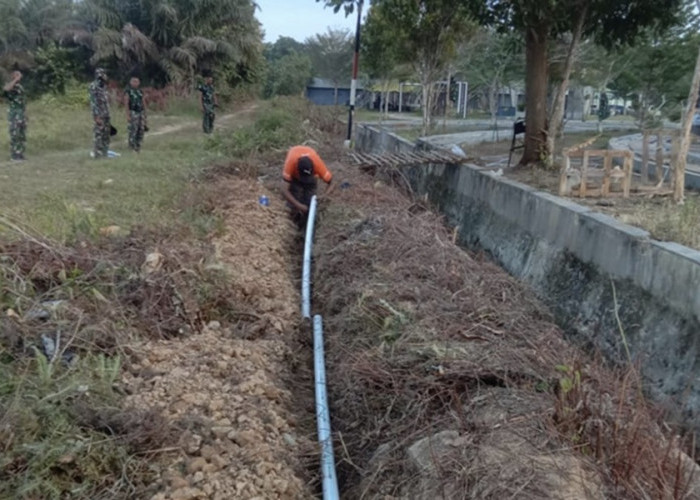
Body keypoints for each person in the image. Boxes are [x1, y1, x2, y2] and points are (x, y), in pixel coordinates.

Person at [281, 145, 335, 229]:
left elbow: (331, 183)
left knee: (309, 201)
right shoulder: (290, 163)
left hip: (311, 179)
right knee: (293, 201)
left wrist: (324, 196)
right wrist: (298, 205)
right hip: (295, 176)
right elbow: (284, 189)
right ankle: (292, 224)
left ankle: (306, 225)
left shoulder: (318, 165)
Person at [3, 70, 27, 161]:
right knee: (15, 134)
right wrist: (15, 80)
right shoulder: (10, 85)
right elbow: (6, 89)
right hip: (14, 114)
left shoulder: (20, 87)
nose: (19, 76)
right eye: (17, 75)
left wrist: (25, 114)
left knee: (21, 135)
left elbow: (22, 101)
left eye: (19, 75)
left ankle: (20, 154)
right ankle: (14, 155)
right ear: (13, 76)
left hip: (21, 113)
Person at [89, 68, 111, 158]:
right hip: (99, 114)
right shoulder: (94, 86)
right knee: (99, 134)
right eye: (103, 75)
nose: (105, 76)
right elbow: (93, 102)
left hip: (106, 113)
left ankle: (105, 153)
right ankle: (97, 153)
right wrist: (96, 116)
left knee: (106, 134)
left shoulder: (104, 86)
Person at [124, 76, 147, 152]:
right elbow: (126, 103)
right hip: (133, 112)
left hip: (140, 112)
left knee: (141, 130)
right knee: (133, 130)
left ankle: (138, 146)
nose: (135, 83)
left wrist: (145, 113)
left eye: (137, 81)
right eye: (133, 81)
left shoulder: (140, 91)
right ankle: (131, 147)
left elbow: (143, 101)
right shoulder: (128, 91)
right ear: (130, 82)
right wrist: (127, 115)